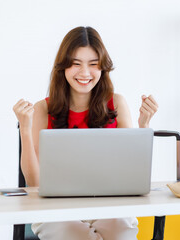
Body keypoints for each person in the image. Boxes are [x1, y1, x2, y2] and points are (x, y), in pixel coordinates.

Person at [13, 26, 158, 240]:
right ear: (63, 67)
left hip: (109, 207)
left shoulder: (116, 103)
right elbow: (34, 183)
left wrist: (143, 125)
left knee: (120, 228)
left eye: (93, 65)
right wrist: (25, 129)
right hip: (58, 210)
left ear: (102, 68)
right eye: (76, 64)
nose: (85, 73)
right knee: (69, 232)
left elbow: (132, 173)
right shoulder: (43, 109)